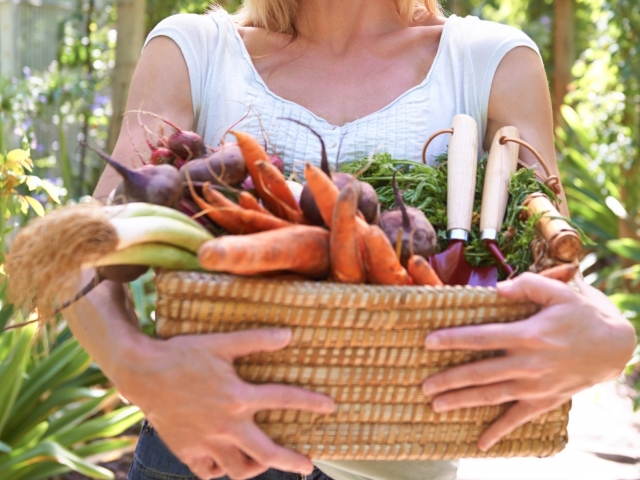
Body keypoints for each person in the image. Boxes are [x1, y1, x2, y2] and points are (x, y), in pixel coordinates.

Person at [63, 1, 637, 480]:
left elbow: (555, 270)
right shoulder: (194, 49)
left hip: (403, 461)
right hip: (207, 448)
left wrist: (610, 343)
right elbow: (80, 251)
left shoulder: (489, 60)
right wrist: (139, 368)